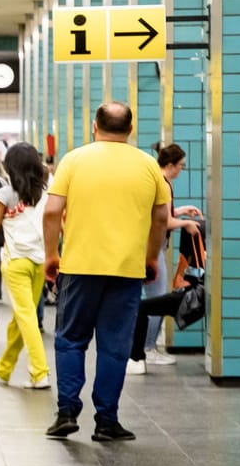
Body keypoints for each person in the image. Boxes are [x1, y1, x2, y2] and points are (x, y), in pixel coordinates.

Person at [42, 102, 171, 442]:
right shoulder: (148, 165)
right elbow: (161, 218)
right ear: (131, 130)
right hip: (127, 270)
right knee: (115, 346)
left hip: (79, 268)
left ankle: (67, 412)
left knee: (70, 340)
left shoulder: (74, 159)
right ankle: (107, 421)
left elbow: (52, 211)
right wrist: (152, 256)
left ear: (94, 126)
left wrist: (51, 254)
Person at [0, 143, 51, 389]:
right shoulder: (47, 191)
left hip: (16, 262)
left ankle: (40, 373)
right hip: (40, 261)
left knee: (25, 316)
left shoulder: (6, 194)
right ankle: (4, 368)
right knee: (20, 319)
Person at [127, 142, 205, 373]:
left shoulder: (158, 181)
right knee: (157, 299)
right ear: (170, 165)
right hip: (152, 247)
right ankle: (148, 348)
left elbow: (164, 214)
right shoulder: (162, 183)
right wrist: (186, 223)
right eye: (181, 166)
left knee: (154, 297)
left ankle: (149, 347)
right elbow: (164, 221)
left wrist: (181, 211)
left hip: (152, 246)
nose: (182, 169)